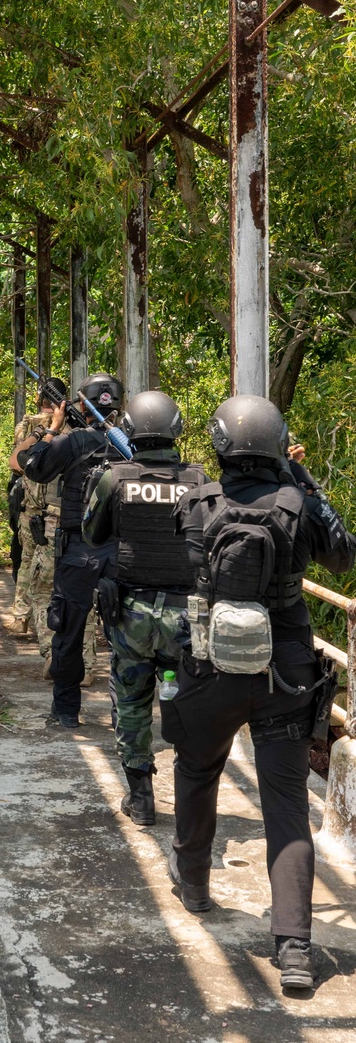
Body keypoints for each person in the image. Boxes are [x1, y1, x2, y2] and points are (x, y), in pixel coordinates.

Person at [165, 394, 356, 990]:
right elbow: (345, 557)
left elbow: (183, 563)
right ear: (277, 444)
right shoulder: (300, 504)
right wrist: (303, 479)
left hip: (209, 668)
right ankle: (295, 947)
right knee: (285, 803)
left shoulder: (196, 501)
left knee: (197, 770)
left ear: (221, 444)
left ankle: (194, 882)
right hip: (285, 674)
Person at [82, 391, 208, 825]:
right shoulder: (199, 480)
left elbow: (93, 535)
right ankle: (192, 795)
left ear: (131, 431)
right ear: (176, 429)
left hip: (132, 615)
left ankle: (140, 798)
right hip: (185, 619)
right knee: (186, 701)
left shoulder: (114, 479)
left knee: (132, 702)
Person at [24, 372, 125, 728]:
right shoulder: (133, 443)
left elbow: (33, 467)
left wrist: (52, 428)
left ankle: (66, 713)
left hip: (78, 550)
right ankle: (123, 716)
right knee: (123, 638)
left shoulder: (76, 441)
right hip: (122, 553)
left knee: (68, 631)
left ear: (81, 404)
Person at [9, 379, 83, 679]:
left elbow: (16, 462)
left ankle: (23, 618)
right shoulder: (77, 429)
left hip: (40, 514)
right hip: (64, 516)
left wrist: (45, 430)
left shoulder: (31, 426)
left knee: (34, 572)